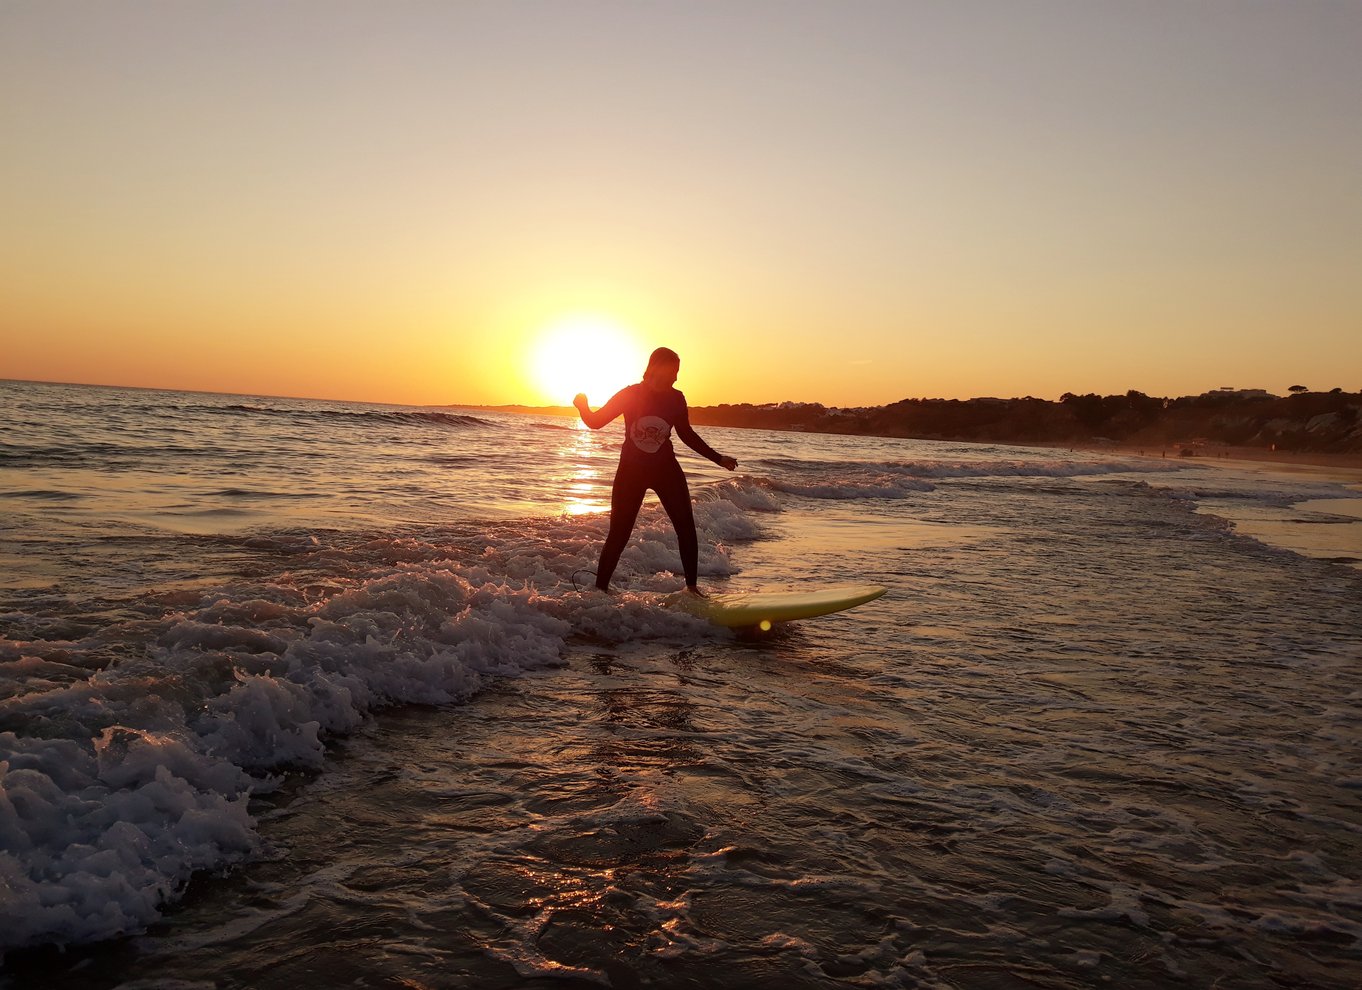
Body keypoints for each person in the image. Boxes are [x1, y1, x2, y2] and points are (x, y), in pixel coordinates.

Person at [574, 346, 738, 594]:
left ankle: (692, 590)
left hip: (665, 470)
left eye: (677, 373)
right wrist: (582, 406)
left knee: (685, 528)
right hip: (631, 472)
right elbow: (596, 422)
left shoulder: (676, 398)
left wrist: (718, 458)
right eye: (671, 372)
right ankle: (599, 593)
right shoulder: (630, 395)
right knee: (619, 534)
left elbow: (686, 434)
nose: (675, 378)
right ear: (653, 370)